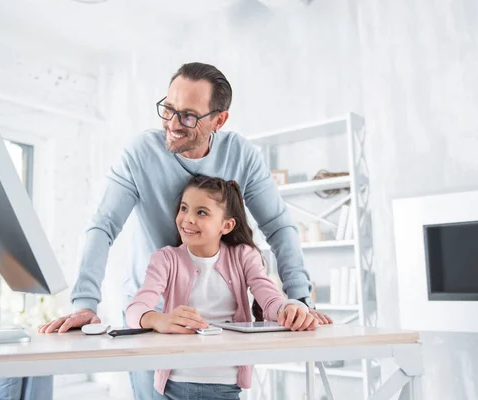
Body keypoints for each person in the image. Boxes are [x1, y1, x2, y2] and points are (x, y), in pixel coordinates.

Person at [38, 62, 332, 399]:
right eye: (168, 109)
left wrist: (298, 300)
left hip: (219, 327)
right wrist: (85, 302)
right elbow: (103, 226)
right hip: (149, 316)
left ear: (218, 120)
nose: (173, 124)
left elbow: (279, 227)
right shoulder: (140, 154)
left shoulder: (242, 156)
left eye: (189, 116)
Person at [126, 175, 320, 399]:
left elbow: (270, 299)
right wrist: (160, 319)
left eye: (201, 212)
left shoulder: (244, 256)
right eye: (184, 208)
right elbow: (135, 310)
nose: (187, 219)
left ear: (226, 225)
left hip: (226, 384)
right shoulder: (166, 259)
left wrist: (288, 308)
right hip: (175, 384)